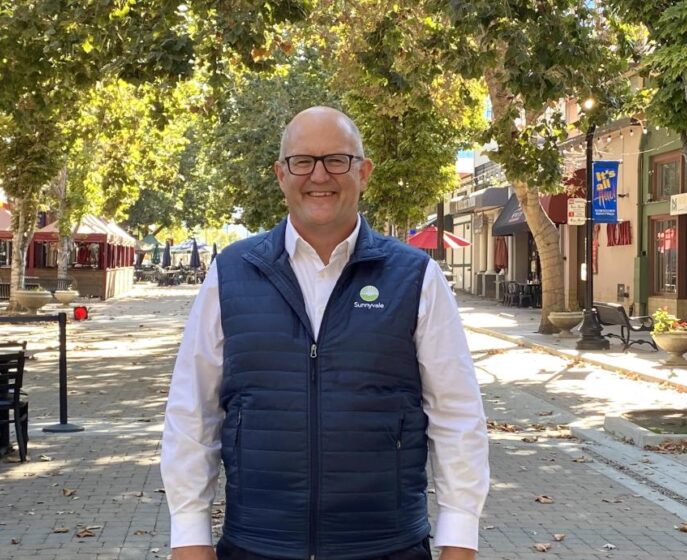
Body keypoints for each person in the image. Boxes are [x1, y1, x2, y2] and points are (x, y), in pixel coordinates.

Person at [162, 106, 489, 560]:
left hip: (386, 546)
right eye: (302, 161)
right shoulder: (231, 273)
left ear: (363, 171)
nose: (319, 175)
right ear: (281, 174)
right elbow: (192, 413)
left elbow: (457, 416)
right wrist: (189, 535)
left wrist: (459, 538)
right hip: (258, 545)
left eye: (337, 159)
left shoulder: (416, 277)